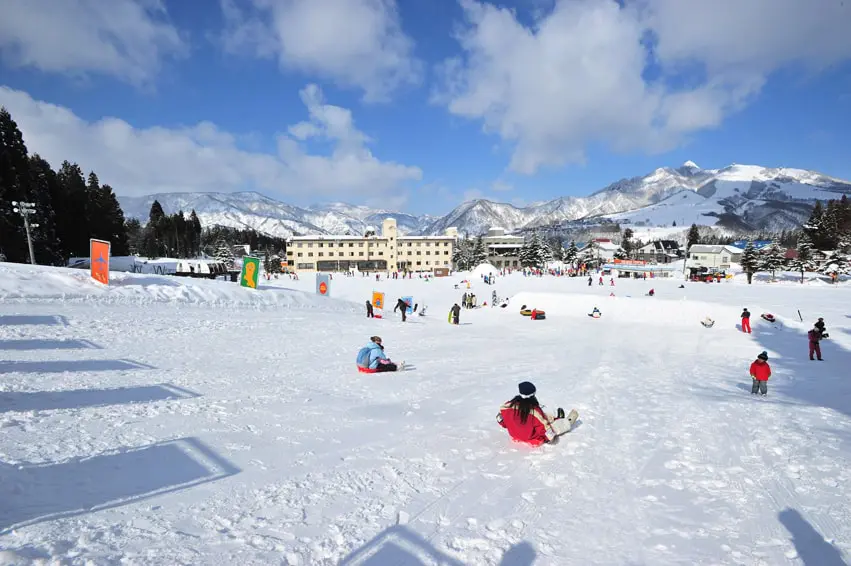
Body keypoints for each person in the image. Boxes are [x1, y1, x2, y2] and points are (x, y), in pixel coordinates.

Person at [496, 382, 577, 446]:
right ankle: (564, 421)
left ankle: (554, 418)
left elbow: (500, 419)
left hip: (515, 435)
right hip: (530, 437)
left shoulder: (507, 406)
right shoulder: (534, 412)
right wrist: (549, 438)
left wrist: (511, 425)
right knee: (551, 426)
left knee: (543, 417)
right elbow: (545, 431)